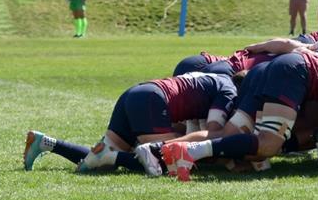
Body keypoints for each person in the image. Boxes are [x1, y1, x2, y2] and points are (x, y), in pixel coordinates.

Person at [155, 51, 318, 181]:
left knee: (233, 136)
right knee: (268, 144)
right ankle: (188, 153)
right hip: (295, 72)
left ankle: (163, 151)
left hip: (277, 68)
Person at [23, 72, 238, 174]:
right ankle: (111, 155)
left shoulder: (212, 78)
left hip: (138, 92)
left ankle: (47, 143)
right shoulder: (229, 89)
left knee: (100, 164)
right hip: (152, 99)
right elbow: (213, 131)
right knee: (167, 159)